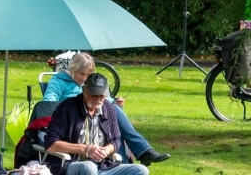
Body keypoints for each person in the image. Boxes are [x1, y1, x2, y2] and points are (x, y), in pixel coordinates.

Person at [41, 73, 149, 175]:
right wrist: (85, 149)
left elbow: (116, 140)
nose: (99, 99)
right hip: (71, 169)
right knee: (89, 166)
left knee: (141, 171)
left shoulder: (108, 108)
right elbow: (50, 144)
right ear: (84, 90)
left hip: (102, 168)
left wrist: (107, 150)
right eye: (94, 95)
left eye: (102, 95)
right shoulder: (67, 108)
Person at [42, 52, 170, 166]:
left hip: (94, 117)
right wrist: (72, 104)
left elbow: (105, 101)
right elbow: (48, 102)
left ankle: (137, 156)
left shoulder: (90, 83)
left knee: (113, 110)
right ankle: (140, 153)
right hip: (72, 118)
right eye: (81, 74)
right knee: (112, 114)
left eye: (88, 74)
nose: (85, 78)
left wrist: (117, 103)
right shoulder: (59, 82)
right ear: (72, 69)